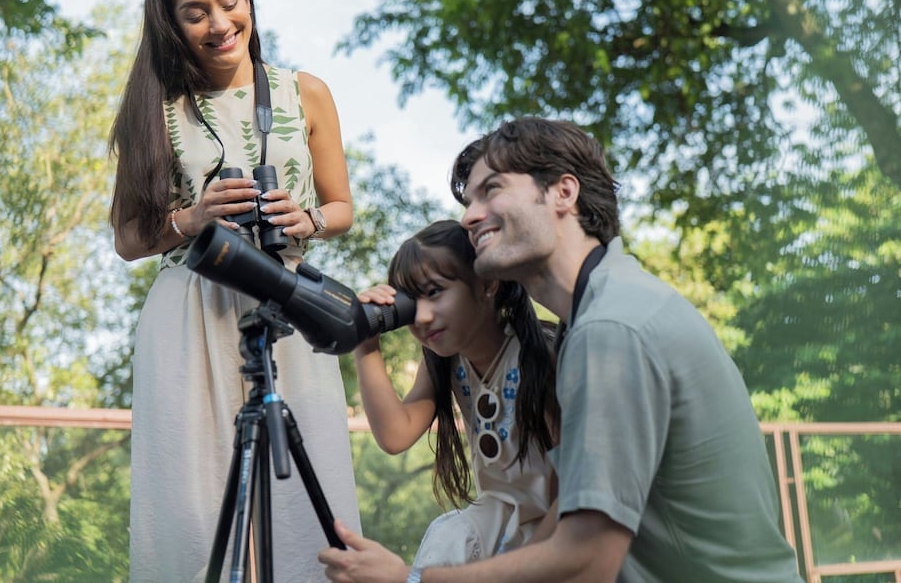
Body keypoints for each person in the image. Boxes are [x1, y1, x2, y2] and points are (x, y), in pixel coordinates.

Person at [319, 117, 804, 582]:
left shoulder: (610, 329)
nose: (469, 217)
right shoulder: (597, 315)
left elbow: (584, 561)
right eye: (469, 201)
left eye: (491, 190)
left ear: (563, 192)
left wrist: (413, 580)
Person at [108, 0, 360, 582]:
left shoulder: (307, 92)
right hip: (190, 310)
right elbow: (127, 239)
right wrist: (191, 219)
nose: (219, 24)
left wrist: (309, 220)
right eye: (195, 13)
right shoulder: (154, 108)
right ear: (173, 25)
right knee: (189, 509)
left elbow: (341, 207)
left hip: (289, 298)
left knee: (308, 500)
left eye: (230, 1)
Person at [353, 219, 558, 571]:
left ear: (487, 283)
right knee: (451, 537)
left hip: (557, 532)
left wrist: (525, 568)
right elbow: (394, 434)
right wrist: (365, 344)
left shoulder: (539, 358)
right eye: (409, 303)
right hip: (499, 527)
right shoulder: (446, 363)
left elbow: (577, 485)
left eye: (434, 292)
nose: (422, 317)